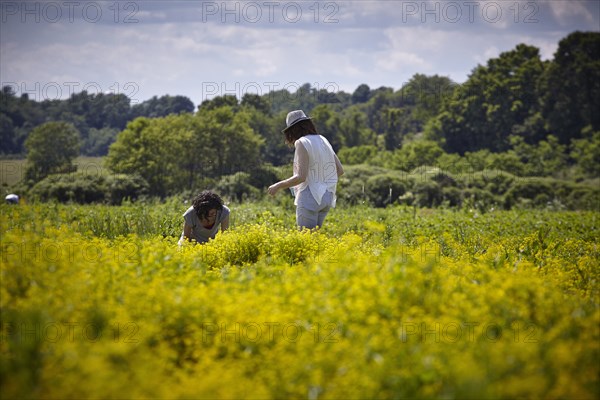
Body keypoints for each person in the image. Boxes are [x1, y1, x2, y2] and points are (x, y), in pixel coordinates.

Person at [268, 110, 344, 229]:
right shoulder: (323, 139)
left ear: (292, 130)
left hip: (309, 197)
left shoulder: (301, 142)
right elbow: (339, 170)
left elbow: (301, 177)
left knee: (305, 241)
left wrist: (278, 185)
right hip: (327, 197)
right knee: (314, 241)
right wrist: (322, 182)